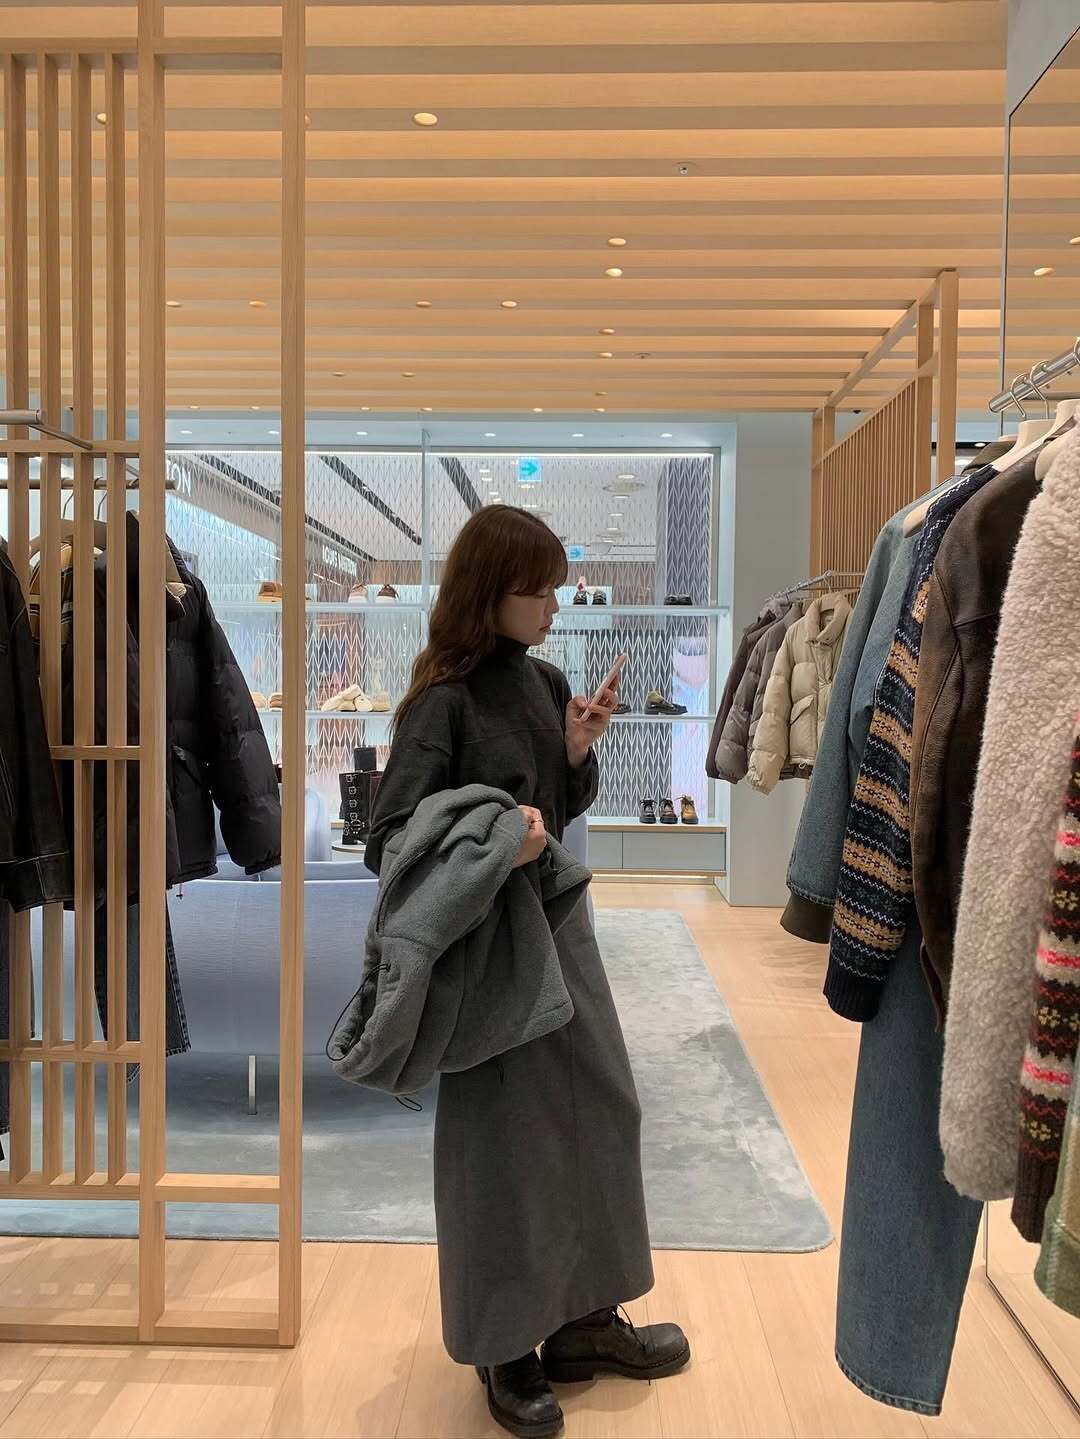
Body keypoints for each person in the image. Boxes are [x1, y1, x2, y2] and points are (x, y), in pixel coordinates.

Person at [365, 506, 690, 1439]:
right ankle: (504, 1343)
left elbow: (557, 806)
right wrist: (499, 840)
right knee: (499, 1138)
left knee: (601, 1104)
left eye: (554, 587)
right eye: (535, 589)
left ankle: (584, 1319)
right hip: (488, 938)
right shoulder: (442, 703)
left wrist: (576, 750)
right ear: (487, 593)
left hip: (561, 918)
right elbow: (391, 839)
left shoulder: (545, 681)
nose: (553, 605)